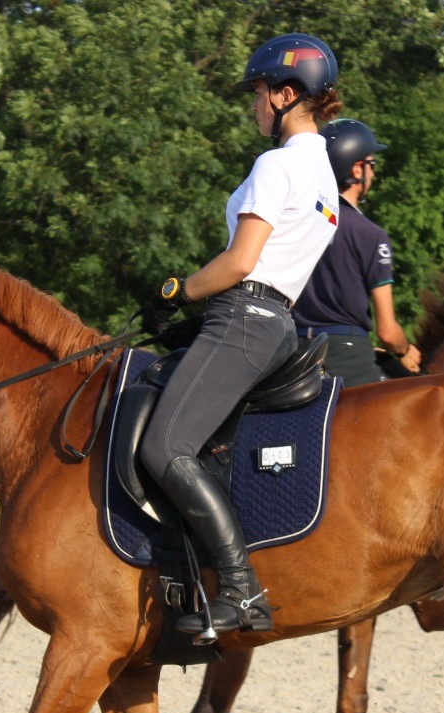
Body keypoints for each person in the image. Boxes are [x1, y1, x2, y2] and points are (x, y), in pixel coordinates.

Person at [139, 33, 343, 635]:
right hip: (277, 324)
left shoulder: (276, 165)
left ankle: (240, 589)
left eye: (257, 92)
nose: (253, 104)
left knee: (164, 447)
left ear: (285, 94)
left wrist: (174, 291)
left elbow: (239, 262)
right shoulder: (326, 180)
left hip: (244, 319)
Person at [292, 119, 421, 382]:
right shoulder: (371, 235)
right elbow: (387, 332)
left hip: (292, 352)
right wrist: (405, 350)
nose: (373, 173)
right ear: (357, 169)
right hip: (347, 356)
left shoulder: (295, 221)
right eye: (371, 164)